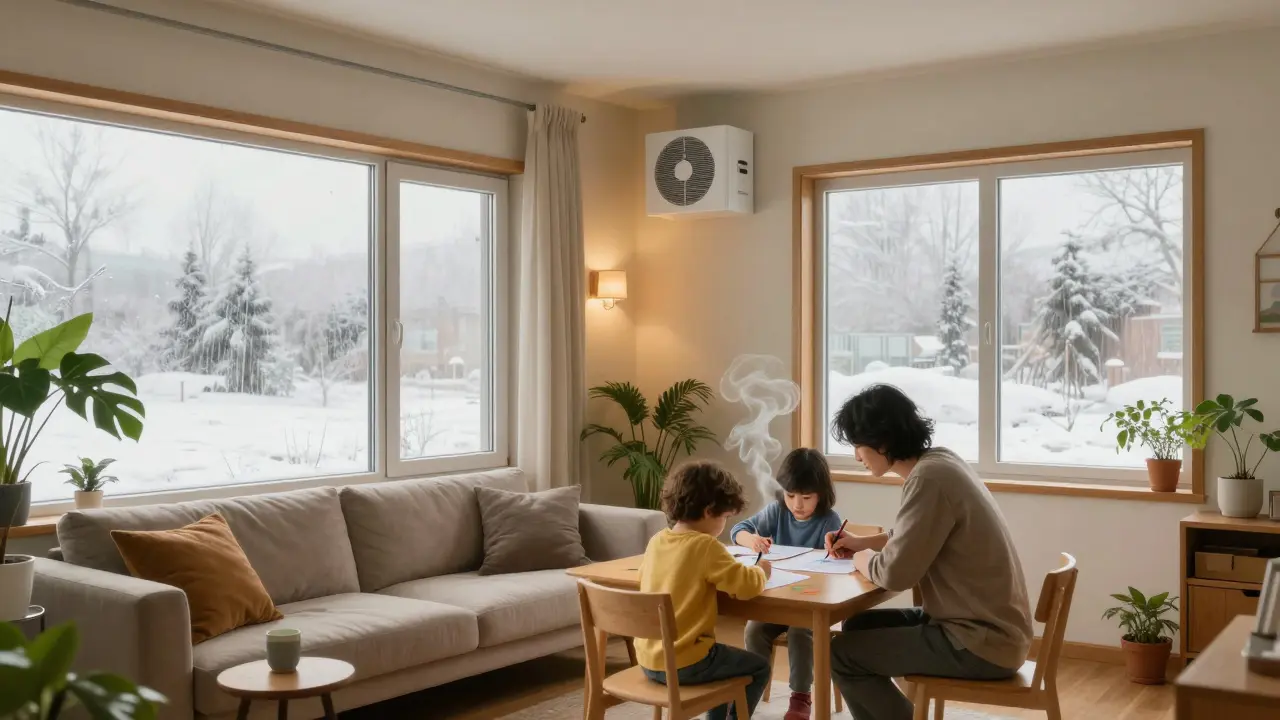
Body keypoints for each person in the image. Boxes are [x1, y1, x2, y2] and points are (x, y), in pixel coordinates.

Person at [824, 384, 1033, 720]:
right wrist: (863, 543)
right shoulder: (941, 462)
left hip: (979, 640)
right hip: (984, 626)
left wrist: (861, 559)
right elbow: (916, 535)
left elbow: (896, 574)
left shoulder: (928, 479)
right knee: (859, 626)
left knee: (838, 654)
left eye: (857, 445)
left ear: (883, 441)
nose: (856, 456)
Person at [636, 460, 775, 720]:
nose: (724, 523)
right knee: (759, 667)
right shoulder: (706, 546)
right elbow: (745, 587)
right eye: (725, 517)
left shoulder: (657, 541)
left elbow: (646, 580)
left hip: (650, 659)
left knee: (721, 666)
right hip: (686, 662)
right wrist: (762, 571)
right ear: (710, 511)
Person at [730, 448, 843, 720]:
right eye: (791, 496)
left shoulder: (829, 520)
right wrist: (752, 540)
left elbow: (836, 565)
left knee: (799, 632)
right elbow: (737, 531)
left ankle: (801, 696)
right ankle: (751, 690)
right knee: (754, 630)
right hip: (776, 600)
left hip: (810, 604)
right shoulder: (776, 512)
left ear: (821, 494)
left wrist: (836, 550)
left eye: (806, 498)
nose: (797, 504)